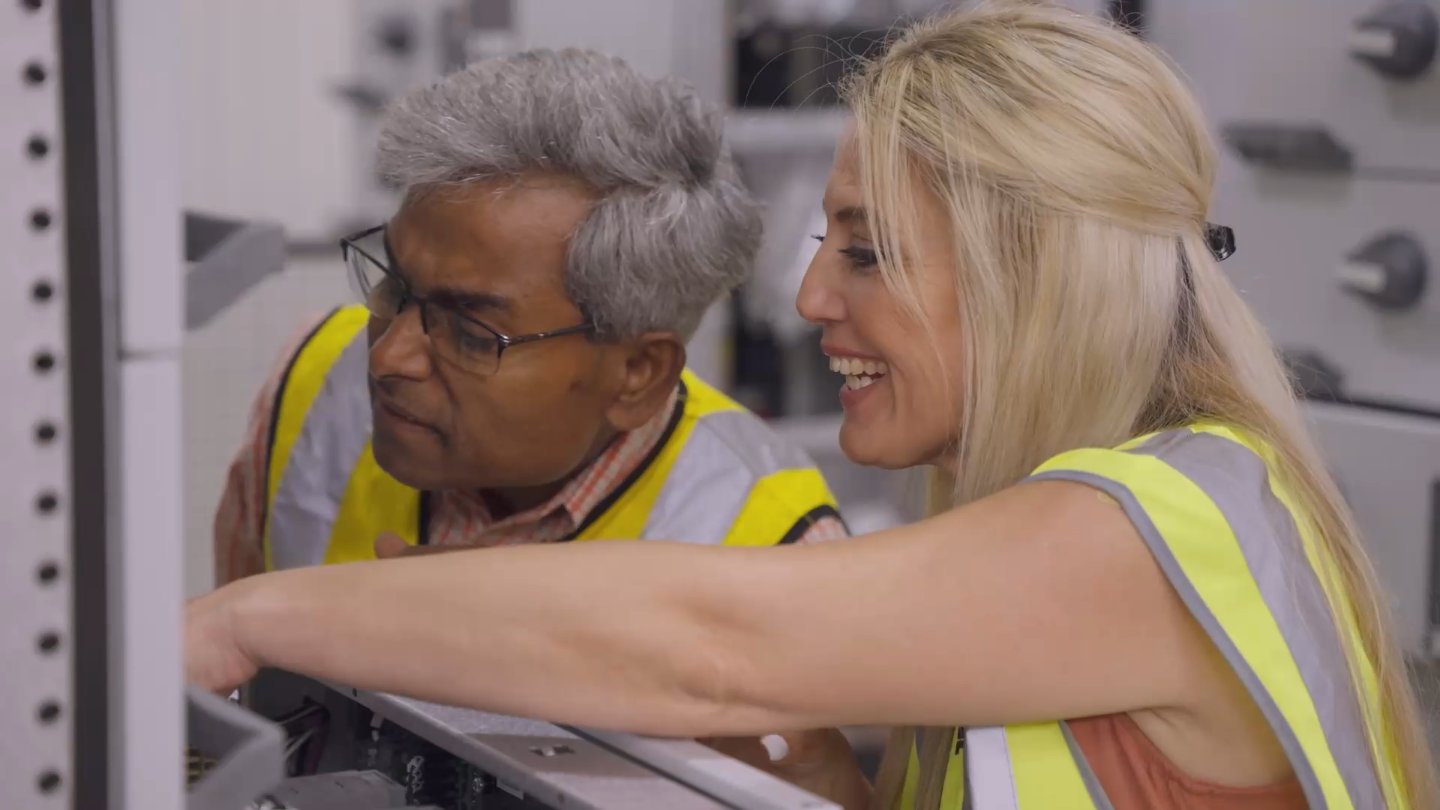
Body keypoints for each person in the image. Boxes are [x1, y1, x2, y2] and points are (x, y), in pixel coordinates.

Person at [187, 4, 1438, 809]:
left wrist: (250, 620)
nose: (808, 296)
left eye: (867, 250)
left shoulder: (1150, 526)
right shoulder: (1087, 508)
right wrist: (834, 781)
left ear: (1032, 280)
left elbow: (715, 645)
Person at [213, 47, 849, 587]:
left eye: (469, 332)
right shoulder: (314, 378)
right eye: (393, 287)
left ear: (637, 373)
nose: (387, 358)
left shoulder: (768, 548)